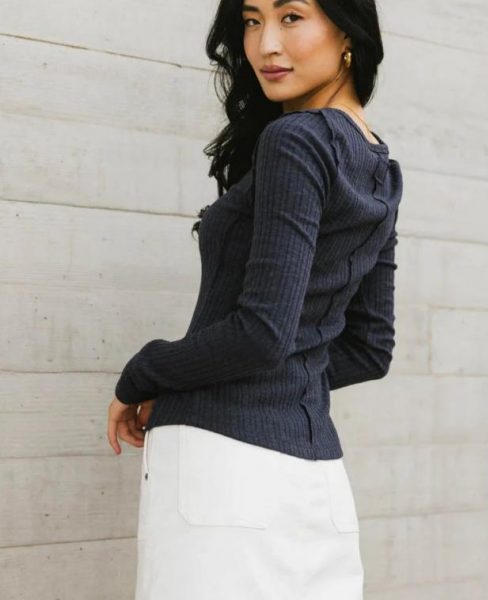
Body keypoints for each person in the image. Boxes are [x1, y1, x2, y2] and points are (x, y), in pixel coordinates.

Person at [107, 0, 403, 597]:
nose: (266, 44)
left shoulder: (296, 140)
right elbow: (370, 349)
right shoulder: (380, 165)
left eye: (291, 17)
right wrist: (233, 375)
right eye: (251, 20)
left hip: (224, 477)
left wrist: (146, 371)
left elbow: (260, 334)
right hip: (317, 483)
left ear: (348, 31)